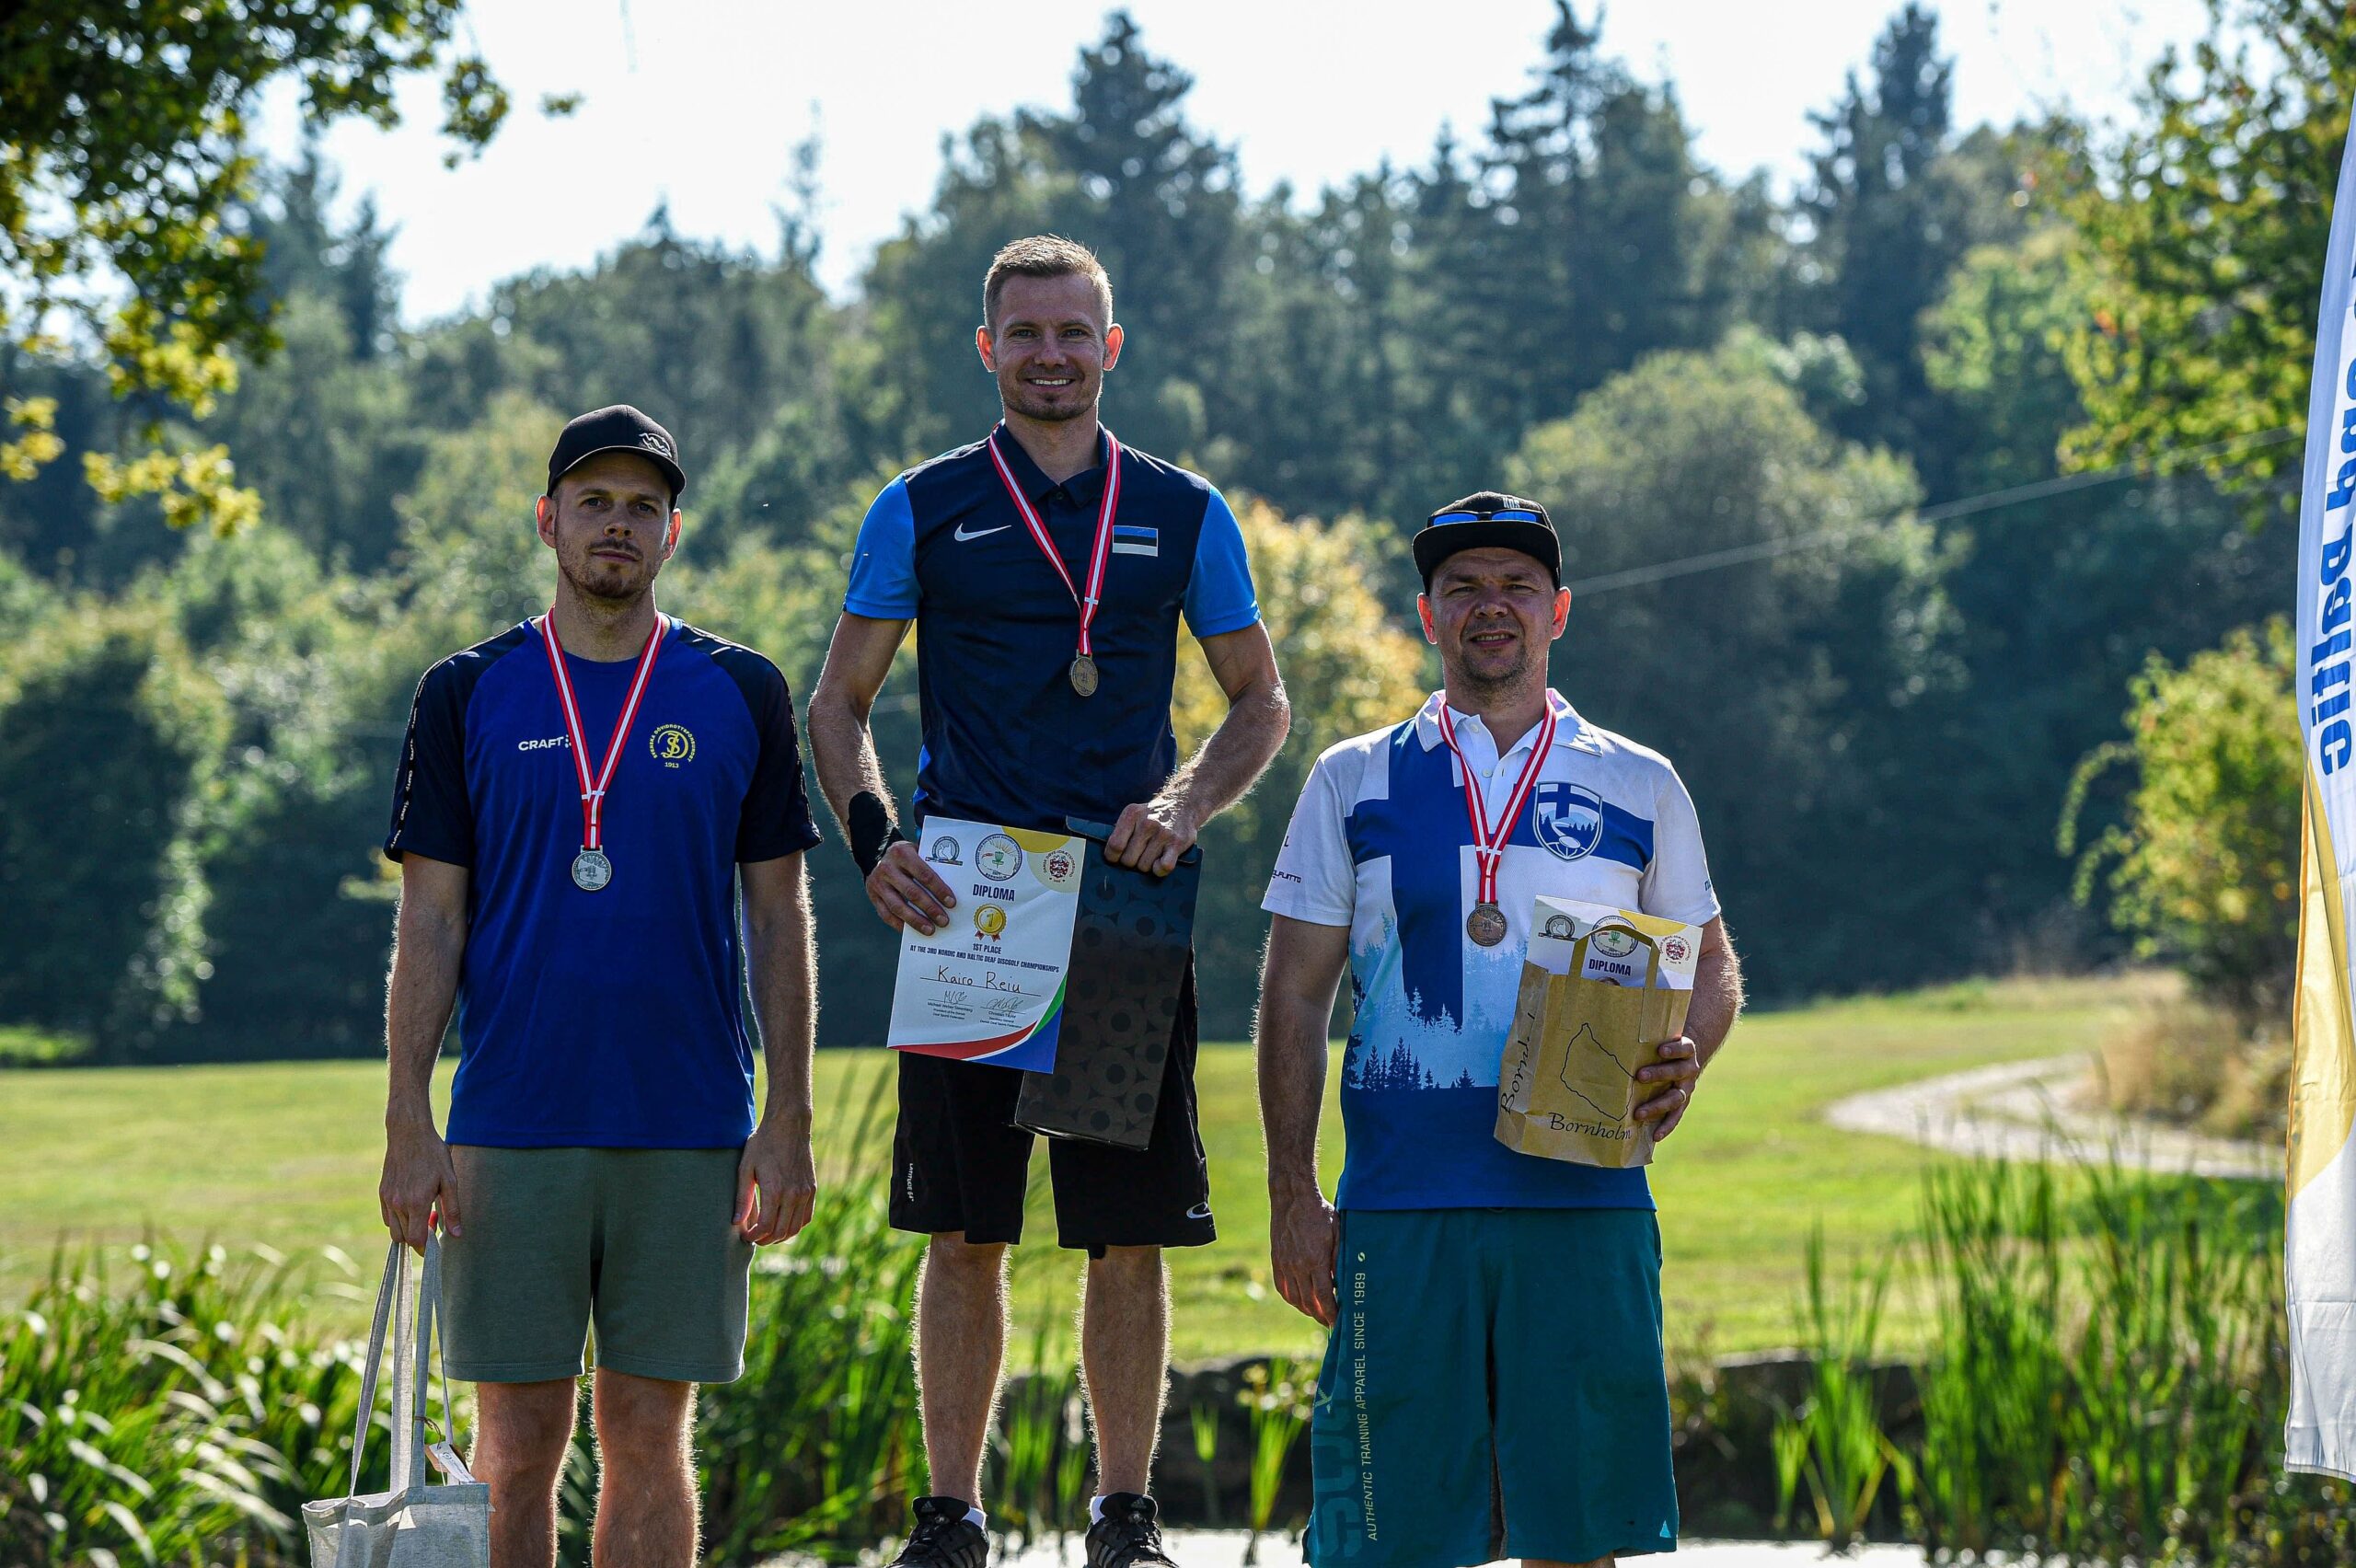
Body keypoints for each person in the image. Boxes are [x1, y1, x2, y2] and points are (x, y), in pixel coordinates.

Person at [806, 235, 1289, 1568]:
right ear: (987, 349)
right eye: (1025, 333)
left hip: (1125, 908)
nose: (1051, 355)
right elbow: (836, 704)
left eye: (1074, 332)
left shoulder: (1183, 510)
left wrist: (1184, 804)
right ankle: (950, 1516)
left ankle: (1124, 1518)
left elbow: (1260, 701)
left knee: (1126, 1238)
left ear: (1111, 347)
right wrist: (874, 841)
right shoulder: (921, 505)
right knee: (967, 1231)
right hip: (973, 910)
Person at [1254, 493, 1744, 1568]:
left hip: (1584, 1199)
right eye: (1462, 587)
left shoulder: (1638, 779)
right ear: (1426, 615)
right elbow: (1292, 996)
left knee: (1576, 1540)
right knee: (1391, 1546)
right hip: (1400, 1205)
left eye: (1516, 586)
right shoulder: (1351, 776)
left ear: (1557, 611)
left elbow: (1710, 965)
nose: (1491, 605)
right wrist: (1293, 1194)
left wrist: (1688, 1056)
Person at [377, 405, 823, 1568]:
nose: (616, 525)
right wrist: (407, 1121)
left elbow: (778, 918)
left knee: (648, 1436)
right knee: (517, 1442)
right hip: (510, 1125)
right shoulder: (466, 690)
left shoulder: (742, 689)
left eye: (642, 506)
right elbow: (429, 920)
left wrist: (787, 1117)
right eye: (593, 503)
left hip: (690, 1124)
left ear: (672, 532)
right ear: (548, 521)